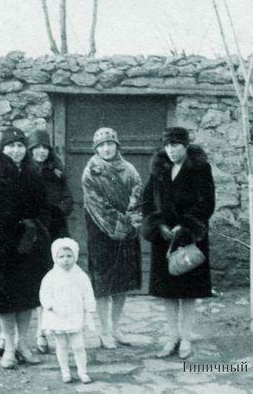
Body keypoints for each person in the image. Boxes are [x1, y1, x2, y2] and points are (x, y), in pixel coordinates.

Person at [141, 127, 215, 359]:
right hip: (164, 238)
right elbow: (147, 200)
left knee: (188, 291)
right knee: (168, 291)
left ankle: (186, 338)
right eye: (167, 145)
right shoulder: (159, 168)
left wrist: (184, 225)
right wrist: (158, 225)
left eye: (175, 145)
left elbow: (207, 202)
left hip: (190, 236)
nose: (171, 150)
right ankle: (172, 337)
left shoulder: (200, 168)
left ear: (186, 146)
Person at [0, 127, 51, 368]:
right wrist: (18, 229)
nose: (16, 150)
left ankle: (23, 344)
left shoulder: (33, 177)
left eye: (20, 145)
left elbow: (43, 209)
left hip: (30, 246)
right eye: (10, 145)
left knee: (27, 297)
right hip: (3, 248)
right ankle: (9, 346)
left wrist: (35, 228)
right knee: (6, 299)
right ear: (2, 149)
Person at [81, 127, 143, 349]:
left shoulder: (129, 170)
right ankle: (104, 331)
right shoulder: (91, 172)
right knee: (103, 285)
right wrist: (120, 223)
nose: (106, 148)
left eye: (110, 144)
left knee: (121, 284)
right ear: (96, 149)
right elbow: (98, 205)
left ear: (117, 146)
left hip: (127, 233)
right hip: (101, 232)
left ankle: (116, 327)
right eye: (101, 145)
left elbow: (137, 195)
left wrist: (132, 220)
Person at [26, 129, 74, 354]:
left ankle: (43, 333)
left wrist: (57, 211)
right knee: (30, 284)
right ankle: (13, 337)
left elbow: (68, 199)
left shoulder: (56, 172)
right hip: (31, 234)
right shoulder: (24, 172)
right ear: (30, 150)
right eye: (36, 148)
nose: (41, 151)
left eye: (44, 147)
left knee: (50, 284)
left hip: (54, 233)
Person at [40, 238, 96, 384]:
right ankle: (65, 372)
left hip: (74, 315)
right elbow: (44, 293)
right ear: (55, 257)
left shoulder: (81, 276)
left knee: (78, 346)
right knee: (61, 345)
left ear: (75, 256)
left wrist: (89, 310)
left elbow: (88, 294)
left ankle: (82, 372)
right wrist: (49, 305)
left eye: (69, 256)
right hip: (58, 315)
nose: (65, 260)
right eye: (61, 256)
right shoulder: (51, 277)